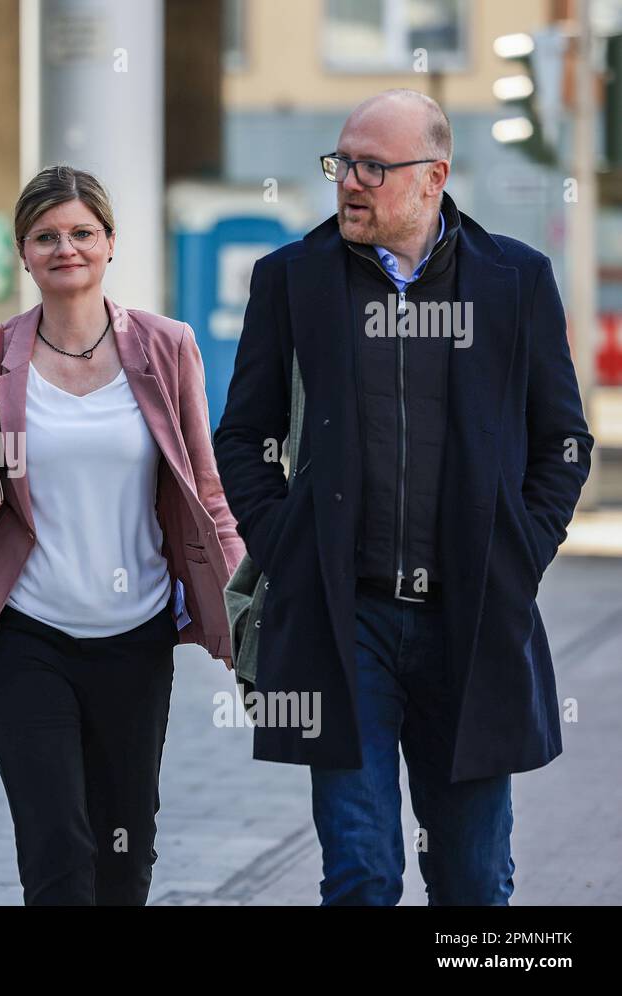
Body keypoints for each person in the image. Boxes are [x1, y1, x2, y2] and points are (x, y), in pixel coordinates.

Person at [213, 90, 594, 905]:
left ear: (434, 177)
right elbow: (241, 437)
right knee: (359, 873)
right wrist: (288, 548)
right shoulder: (291, 280)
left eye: (372, 168)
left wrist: (519, 551)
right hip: (341, 620)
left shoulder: (514, 280)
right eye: (342, 163)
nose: (349, 182)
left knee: (473, 880)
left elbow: (565, 441)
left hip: (473, 618)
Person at [0, 165, 243, 905]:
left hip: (136, 636)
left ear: (110, 243)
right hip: (23, 635)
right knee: (59, 848)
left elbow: (206, 491)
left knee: (126, 851)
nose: (67, 248)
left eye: (82, 233)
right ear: (24, 252)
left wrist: (244, 614)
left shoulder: (167, 347)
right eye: (47, 236)